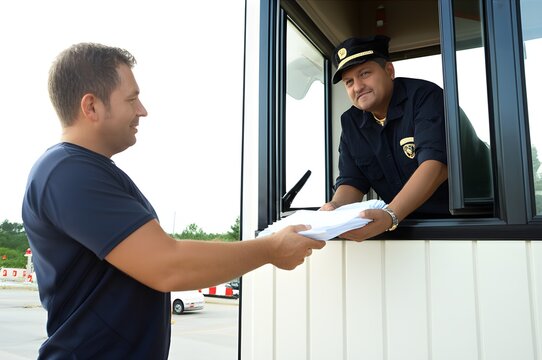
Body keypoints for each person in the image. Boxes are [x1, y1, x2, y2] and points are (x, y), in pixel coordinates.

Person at [21, 42, 326, 359]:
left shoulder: (87, 171)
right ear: (92, 107)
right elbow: (168, 265)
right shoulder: (68, 173)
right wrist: (271, 249)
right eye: (131, 99)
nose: (142, 110)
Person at [321, 35, 460, 240]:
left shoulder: (424, 97)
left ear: (389, 71)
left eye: (365, 73)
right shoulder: (350, 122)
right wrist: (336, 208)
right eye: (349, 82)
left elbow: (436, 165)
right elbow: (352, 181)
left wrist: (390, 215)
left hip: (457, 224)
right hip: (403, 228)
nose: (357, 87)